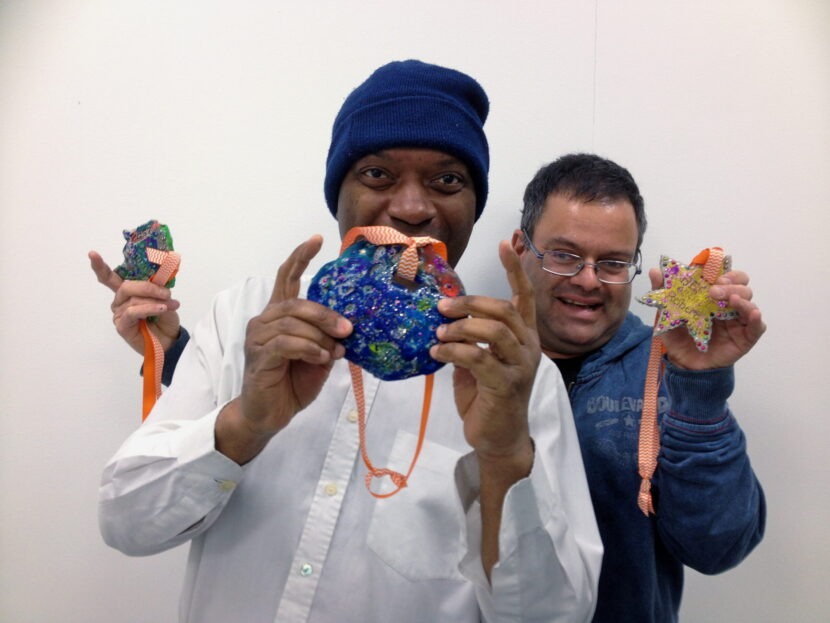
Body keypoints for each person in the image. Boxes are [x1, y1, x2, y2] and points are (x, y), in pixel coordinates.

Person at [93, 61, 602, 622]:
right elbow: (127, 524)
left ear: (473, 206)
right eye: (377, 175)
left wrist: (504, 456)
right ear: (338, 193)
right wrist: (246, 422)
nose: (411, 208)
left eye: (447, 180)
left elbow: (555, 617)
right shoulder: (245, 317)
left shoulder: (517, 377)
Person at [511, 153, 766, 623]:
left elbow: (719, 546)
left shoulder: (677, 370)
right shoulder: (466, 355)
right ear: (520, 248)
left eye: (612, 262)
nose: (588, 280)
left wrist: (702, 389)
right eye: (565, 255)